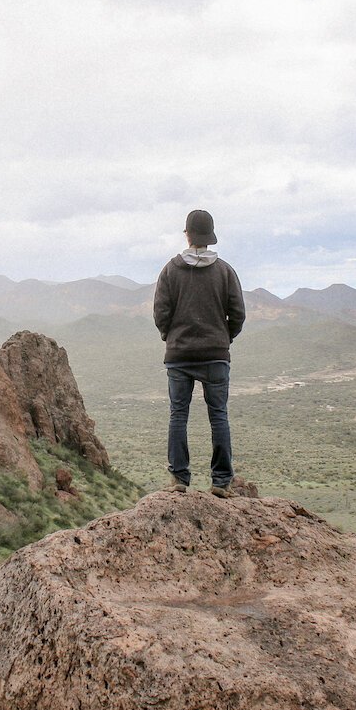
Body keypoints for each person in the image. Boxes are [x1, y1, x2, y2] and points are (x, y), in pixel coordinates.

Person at [153, 208, 246, 497]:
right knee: (218, 416)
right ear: (210, 237)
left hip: (179, 356)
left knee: (178, 415)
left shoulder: (170, 269)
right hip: (216, 355)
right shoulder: (225, 271)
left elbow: (160, 313)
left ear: (187, 234)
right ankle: (221, 483)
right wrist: (223, 339)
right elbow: (238, 314)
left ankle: (179, 479)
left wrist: (171, 337)